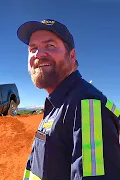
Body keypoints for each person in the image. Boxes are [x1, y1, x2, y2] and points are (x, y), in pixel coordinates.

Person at [17, 19, 120, 180]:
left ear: (72, 56)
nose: (38, 54)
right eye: (33, 48)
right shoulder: (57, 103)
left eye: (50, 45)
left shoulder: (87, 106)